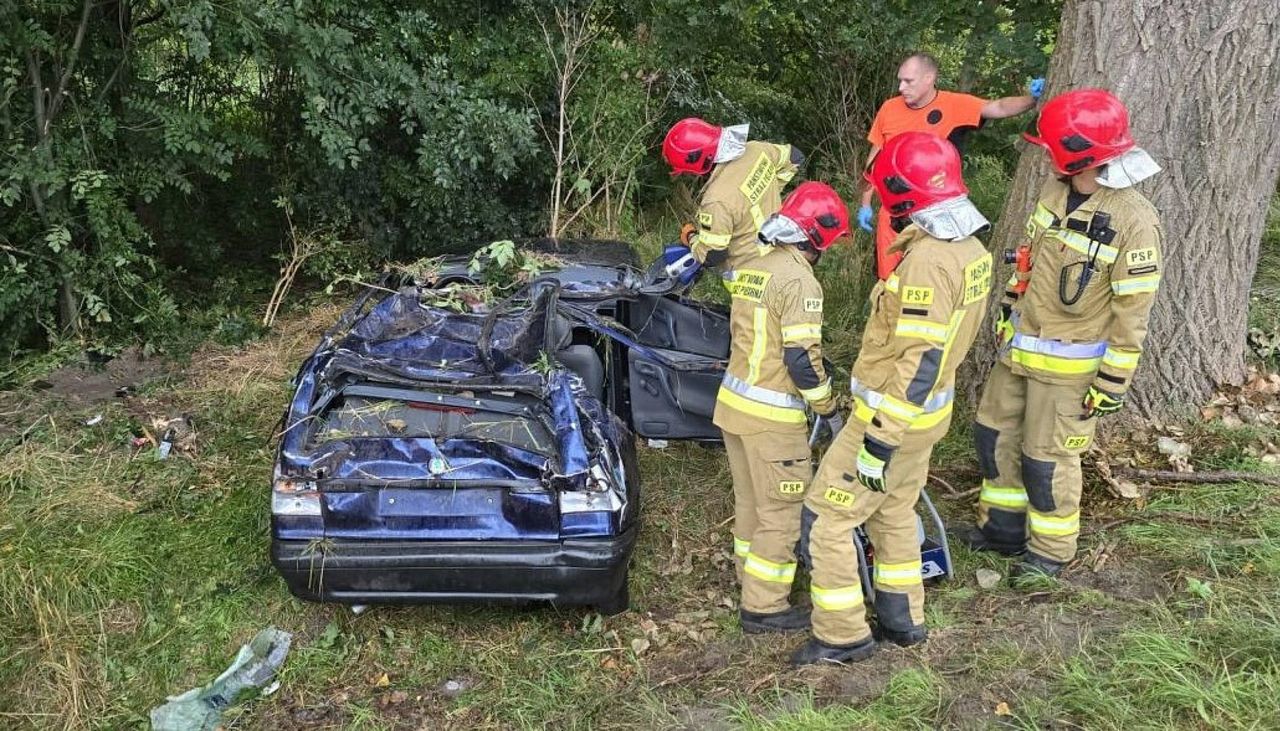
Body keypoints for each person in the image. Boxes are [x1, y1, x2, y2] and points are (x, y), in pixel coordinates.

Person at [791, 132, 993, 665]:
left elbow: (920, 360)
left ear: (903, 194)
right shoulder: (971, 248)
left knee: (826, 519)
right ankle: (904, 620)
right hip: (926, 418)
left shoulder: (930, 260)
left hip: (889, 419)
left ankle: (842, 636)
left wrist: (878, 439)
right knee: (896, 511)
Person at [966, 89, 1162, 577]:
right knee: (993, 436)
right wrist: (1009, 311)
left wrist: (1112, 382)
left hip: (1070, 370)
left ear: (1076, 152)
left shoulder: (1134, 220)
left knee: (1046, 461)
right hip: (1019, 352)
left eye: (1050, 147)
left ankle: (1050, 554)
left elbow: (1133, 312)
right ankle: (1003, 530)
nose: (1045, 155)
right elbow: (1028, 263)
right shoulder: (1055, 194)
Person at [712, 181, 849, 633]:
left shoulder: (756, 266)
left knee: (751, 503)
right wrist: (828, 409)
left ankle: (748, 580)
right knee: (783, 512)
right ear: (819, 237)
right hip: (772, 420)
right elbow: (801, 361)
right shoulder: (800, 281)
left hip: (734, 408)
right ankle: (765, 606)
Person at [857, 52, 1042, 279]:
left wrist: (1033, 99)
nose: (901, 87)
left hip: (936, 212)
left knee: (928, 274)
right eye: (900, 80)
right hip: (893, 210)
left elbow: (999, 107)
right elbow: (874, 159)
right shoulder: (889, 108)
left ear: (929, 78)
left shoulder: (954, 104)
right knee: (890, 279)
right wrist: (866, 203)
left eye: (908, 81)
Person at [658, 118, 804, 287]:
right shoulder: (757, 150)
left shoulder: (716, 201)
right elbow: (795, 157)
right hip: (787, 258)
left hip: (753, 280)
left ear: (697, 161)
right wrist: (771, 191)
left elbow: (712, 255)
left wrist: (691, 237)